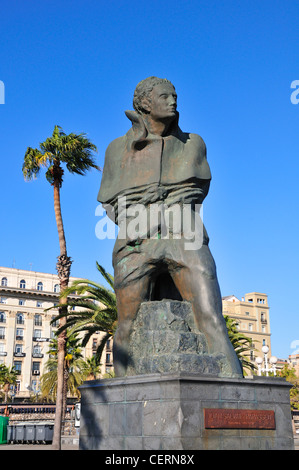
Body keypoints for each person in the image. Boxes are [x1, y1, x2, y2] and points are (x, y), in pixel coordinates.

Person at [98, 76, 243, 377]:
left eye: (175, 95)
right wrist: (150, 204)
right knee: (127, 324)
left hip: (185, 237)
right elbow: (111, 203)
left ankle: (235, 389)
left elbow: (196, 190)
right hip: (136, 242)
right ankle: (124, 393)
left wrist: (155, 199)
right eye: (165, 96)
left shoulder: (193, 144)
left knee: (211, 318)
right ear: (144, 103)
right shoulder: (116, 150)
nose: (173, 100)